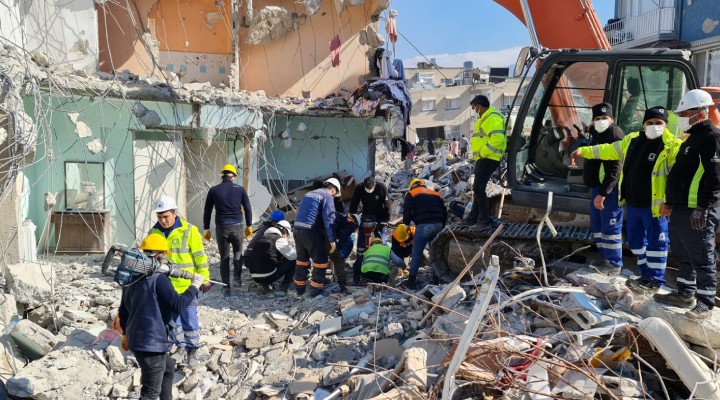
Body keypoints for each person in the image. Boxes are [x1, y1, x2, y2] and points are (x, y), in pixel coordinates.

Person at [572, 107, 682, 293]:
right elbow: (607, 150)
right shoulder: (631, 141)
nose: (654, 126)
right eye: (650, 123)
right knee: (636, 242)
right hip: (633, 203)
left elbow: (678, 178)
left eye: (658, 123)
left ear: (665, 125)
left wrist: (669, 201)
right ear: (644, 124)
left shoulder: (672, 146)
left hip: (655, 207)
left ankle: (655, 280)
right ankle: (645, 275)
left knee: (657, 244)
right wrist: (583, 151)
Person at [654, 89, 720, 319]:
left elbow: (715, 175)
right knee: (683, 252)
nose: (681, 116)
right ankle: (685, 293)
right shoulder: (692, 138)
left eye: (685, 112)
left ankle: (705, 302)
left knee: (701, 254)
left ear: (700, 113)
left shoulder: (712, 136)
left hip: (697, 210)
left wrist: (703, 207)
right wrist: (670, 202)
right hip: (681, 208)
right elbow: (681, 175)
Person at [118, 233, 205, 400]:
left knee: (168, 368)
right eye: (165, 255)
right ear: (161, 254)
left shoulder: (130, 279)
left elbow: (123, 312)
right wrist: (194, 286)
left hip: (137, 341)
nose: (166, 259)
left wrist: (125, 336)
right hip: (152, 345)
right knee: (150, 393)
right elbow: (178, 305)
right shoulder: (159, 279)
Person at [150, 195, 209, 364]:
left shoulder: (190, 230)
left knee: (190, 319)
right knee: (172, 320)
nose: (162, 220)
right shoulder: (154, 232)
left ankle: (193, 349)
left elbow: (200, 257)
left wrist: (204, 279)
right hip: (166, 286)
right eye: (159, 217)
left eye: (166, 216)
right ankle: (181, 346)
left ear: (175, 213)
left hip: (187, 285)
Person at [582, 103, 625, 273]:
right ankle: (606, 259)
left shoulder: (615, 135)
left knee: (610, 228)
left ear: (612, 119)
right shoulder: (600, 132)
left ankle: (614, 264)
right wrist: (590, 129)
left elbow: (615, 169)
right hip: (598, 187)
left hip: (610, 189)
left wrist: (603, 193)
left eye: (604, 118)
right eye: (597, 119)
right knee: (598, 226)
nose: (601, 121)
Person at [202, 164, 253, 293]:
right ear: (234, 177)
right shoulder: (240, 189)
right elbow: (248, 208)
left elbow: (207, 211)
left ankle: (226, 287)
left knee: (224, 257)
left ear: (222, 176)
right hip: (237, 227)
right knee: (237, 252)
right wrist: (249, 225)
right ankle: (237, 278)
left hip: (221, 227)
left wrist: (206, 228)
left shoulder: (214, 190)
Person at [464, 95, 506, 227]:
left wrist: (483, 152)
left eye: (474, 108)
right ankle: (473, 218)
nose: (475, 111)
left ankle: (484, 219)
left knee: (478, 188)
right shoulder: (486, 118)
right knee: (478, 188)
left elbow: (497, 139)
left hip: (489, 157)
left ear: (480, 106)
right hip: (484, 158)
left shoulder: (492, 117)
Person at [293, 178, 340, 296]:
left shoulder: (309, 194)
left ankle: (299, 289)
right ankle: (315, 290)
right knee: (320, 261)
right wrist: (332, 239)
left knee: (302, 261)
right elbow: (329, 220)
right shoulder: (327, 196)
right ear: (333, 190)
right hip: (311, 232)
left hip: (297, 230)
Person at [403, 178, 447, 289]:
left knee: (417, 253)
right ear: (423, 185)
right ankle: (436, 278)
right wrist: (442, 225)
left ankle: (411, 280)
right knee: (435, 252)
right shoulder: (436, 194)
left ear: (412, 186)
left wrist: (406, 224)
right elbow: (444, 211)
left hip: (423, 226)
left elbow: (407, 211)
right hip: (439, 225)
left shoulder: (411, 194)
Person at [349, 176, 391, 283]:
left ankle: (381, 263)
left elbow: (387, 204)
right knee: (361, 244)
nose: (368, 190)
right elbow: (354, 202)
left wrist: (385, 220)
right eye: (367, 189)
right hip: (366, 215)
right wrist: (353, 216)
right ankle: (359, 266)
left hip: (379, 216)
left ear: (374, 184)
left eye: (370, 188)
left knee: (379, 240)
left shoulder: (381, 187)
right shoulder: (359, 187)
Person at [244, 220, 295, 293]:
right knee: (292, 262)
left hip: (254, 276)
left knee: (266, 260)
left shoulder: (260, 238)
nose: (286, 236)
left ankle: (265, 286)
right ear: (284, 231)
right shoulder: (279, 239)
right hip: (267, 276)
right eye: (287, 234)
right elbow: (293, 257)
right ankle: (285, 287)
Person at [329, 213, 360, 293]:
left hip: (321, 232)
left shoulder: (342, 217)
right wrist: (339, 247)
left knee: (320, 259)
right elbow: (344, 234)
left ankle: (317, 283)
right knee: (338, 259)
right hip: (330, 236)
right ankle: (343, 286)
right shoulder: (351, 224)